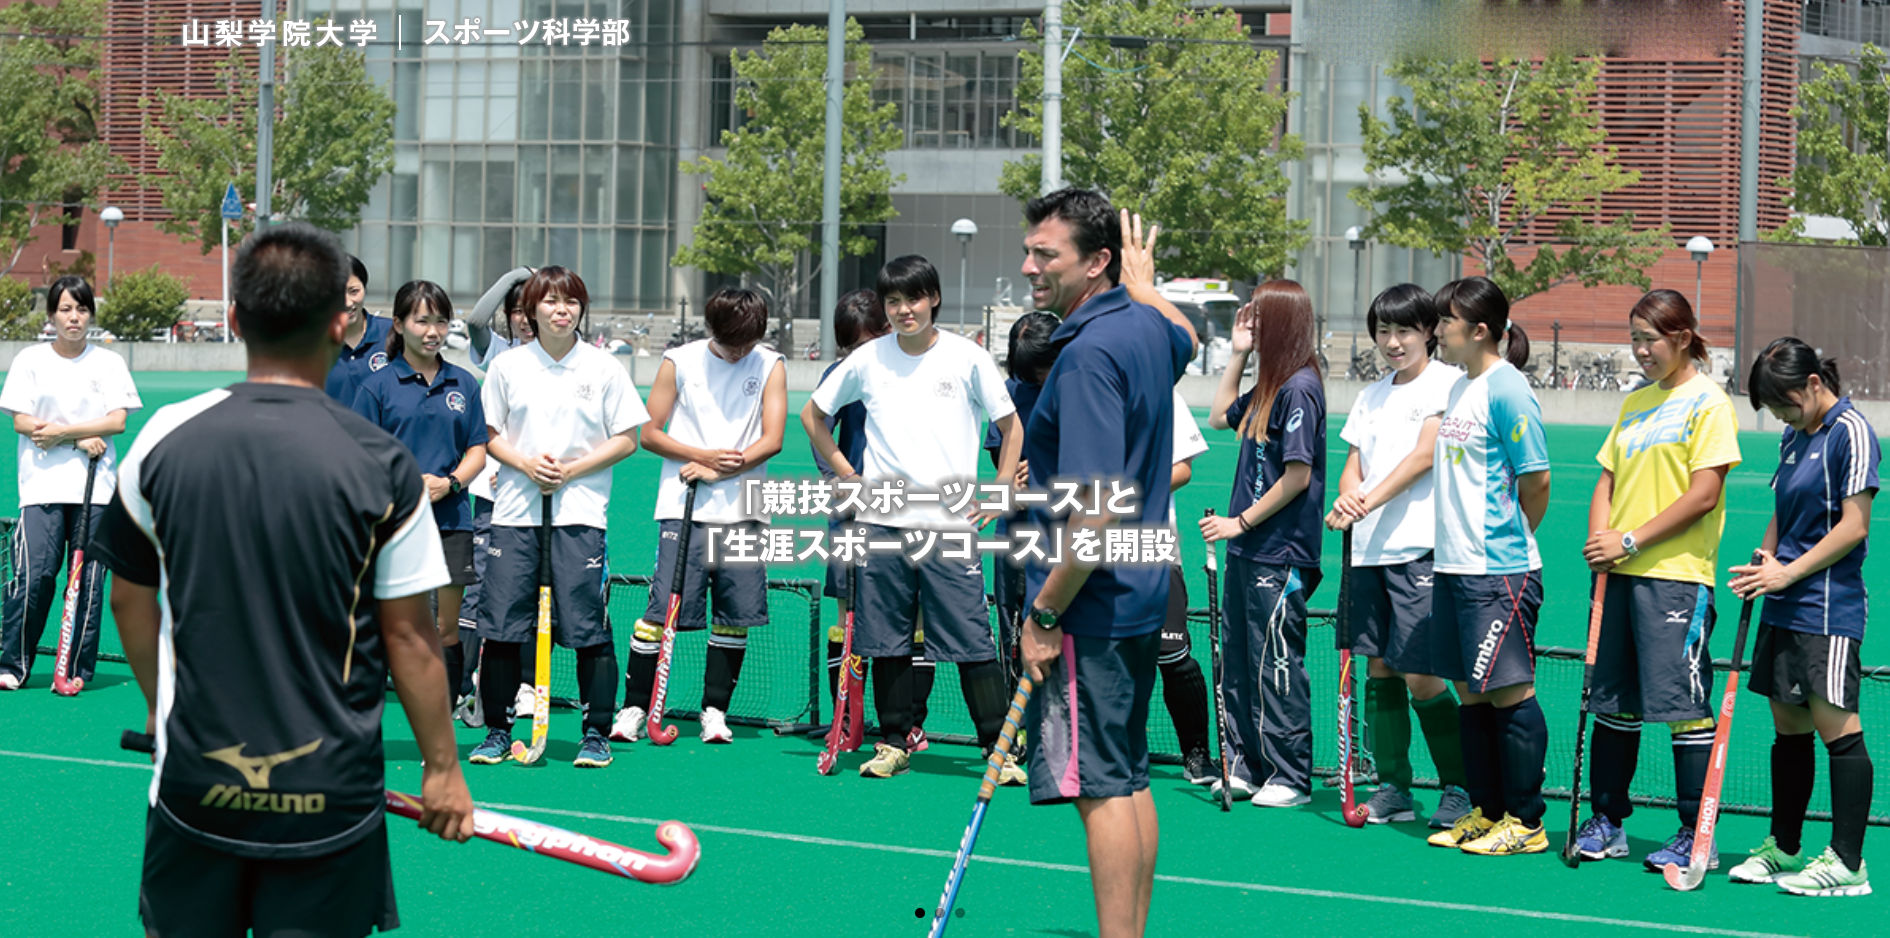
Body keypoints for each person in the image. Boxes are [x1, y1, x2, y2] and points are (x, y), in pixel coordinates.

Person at [89, 222, 473, 937]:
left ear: (234, 319)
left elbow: (128, 596)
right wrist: (442, 768)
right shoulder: (382, 463)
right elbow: (413, 640)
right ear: (341, 322)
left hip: (193, 789)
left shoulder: (164, 437)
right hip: (330, 801)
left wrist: (157, 708)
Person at [1017, 191, 1195, 938]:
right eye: (1029, 250)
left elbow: (1093, 512)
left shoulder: (1088, 355)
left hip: (1090, 603)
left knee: (1099, 788)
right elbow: (1186, 334)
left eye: (1046, 255)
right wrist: (1145, 286)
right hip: (1138, 590)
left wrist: (1046, 612)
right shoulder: (1146, 325)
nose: (1029, 266)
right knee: (1125, 776)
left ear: (1096, 262)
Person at [803, 255, 1022, 781]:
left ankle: (998, 749)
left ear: (934, 299)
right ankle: (894, 742)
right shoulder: (867, 359)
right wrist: (845, 472)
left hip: (950, 526)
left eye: (913, 299)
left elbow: (1010, 427)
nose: (904, 310)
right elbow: (813, 416)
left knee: (973, 641)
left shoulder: (967, 358)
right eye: (894, 302)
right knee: (887, 641)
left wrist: (996, 495)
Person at [1571, 289, 1743, 871]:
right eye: (1635, 339)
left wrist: (1630, 540)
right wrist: (1603, 544)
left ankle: (1697, 834)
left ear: (1684, 337)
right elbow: (1607, 480)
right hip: (1619, 575)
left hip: (1676, 578)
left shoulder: (1709, 403)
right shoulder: (1636, 403)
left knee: (1684, 709)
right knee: (1614, 704)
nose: (1641, 350)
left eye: (1651, 339)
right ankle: (1608, 821)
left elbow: (1705, 493)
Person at [468, 266, 648, 769]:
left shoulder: (603, 367)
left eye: (570, 302)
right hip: (515, 514)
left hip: (580, 514)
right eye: (549, 302)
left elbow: (625, 438)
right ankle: (498, 731)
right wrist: (524, 463)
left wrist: (569, 470)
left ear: (581, 309)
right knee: (502, 627)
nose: (560, 310)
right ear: (529, 311)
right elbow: (488, 432)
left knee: (588, 626)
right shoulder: (508, 367)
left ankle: (595, 734)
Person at [1727, 338, 1878, 897]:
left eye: (1784, 404)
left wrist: (1789, 574)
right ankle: (1784, 847)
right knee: (1788, 728)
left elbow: (1854, 525)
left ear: (1814, 385)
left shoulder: (1851, 432)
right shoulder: (1797, 434)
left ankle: (1848, 862)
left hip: (1827, 608)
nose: (1780, 417)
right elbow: (1782, 508)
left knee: (1837, 729)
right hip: (1782, 601)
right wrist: (1763, 562)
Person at [1324, 283, 1471, 829]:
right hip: (1368, 550)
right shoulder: (1372, 395)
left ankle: (1460, 787)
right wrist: (1348, 495)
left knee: (1420, 672)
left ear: (1429, 330)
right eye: (1383, 331)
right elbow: (1353, 464)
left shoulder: (1448, 384)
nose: (1392, 341)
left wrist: (1363, 500)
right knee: (1380, 667)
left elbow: (1425, 457)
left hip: (1420, 549)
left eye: (1404, 330)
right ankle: (1395, 789)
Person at [614, 288, 787, 745]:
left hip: (746, 507)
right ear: (714, 329)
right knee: (659, 614)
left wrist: (720, 466)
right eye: (733, 343)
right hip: (682, 505)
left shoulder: (770, 363)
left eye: (748, 342)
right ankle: (635, 706)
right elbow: (650, 433)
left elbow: (772, 439)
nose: (741, 352)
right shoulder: (679, 360)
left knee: (732, 616)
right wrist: (701, 457)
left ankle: (715, 711)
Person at [1420, 275, 1553, 857]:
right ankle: (1488, 810)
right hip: (1453, 568)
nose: (1437, 330)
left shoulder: (1508, 388)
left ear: (1478, 330)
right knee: (1470, 692)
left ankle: (1526, 822)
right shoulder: (1459, 388)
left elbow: (1538, 480)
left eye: (1445, 321)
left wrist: (1510, 541)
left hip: (1498, 571)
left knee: (1508, 692)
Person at [1199, 280, 1326, 809]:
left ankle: (1291, 776)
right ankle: (1245, 764)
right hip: (1250, 552)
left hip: (1279, 550)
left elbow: (1297, 476)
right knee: (1239, 660)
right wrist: (1237, 354)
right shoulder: (1271, 382)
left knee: (1275, 661)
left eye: (1259, 318)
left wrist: (1239, 523)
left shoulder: (1300, 386)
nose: (1250, 324)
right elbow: (1218, 415)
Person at [352, 279, 489, 719]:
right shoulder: (377, 386)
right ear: (399, 323)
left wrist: (449, 484)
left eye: (441, 321)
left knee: (445, 628)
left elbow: (477, 452)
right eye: (422, 320)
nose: (433, 331)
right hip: (392, 526)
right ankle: (364, 723)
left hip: (452, 520)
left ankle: (442, 716)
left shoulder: (464, 383)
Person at [0, 276, 141, 692]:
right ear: (51, 315)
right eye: (65, 309)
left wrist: (60, 432)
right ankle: (13, 664)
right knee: (34, 576)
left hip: (95, 490)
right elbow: (22, 421)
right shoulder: (31, 360)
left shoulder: (108, 363)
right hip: (42, 487)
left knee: (88, 584)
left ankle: (75, 670)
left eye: (80, 309)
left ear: (90, 314)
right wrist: (77, 437)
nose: (74, 317)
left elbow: (117, 420)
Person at [456, 268, 538, 726]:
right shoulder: (501, 354)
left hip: (538, 492)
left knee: (527, 591)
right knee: (475, 589)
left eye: (533, 311)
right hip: (490, 495)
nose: (526, 320)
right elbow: (474, 322)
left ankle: (525, 686)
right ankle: (464, 684)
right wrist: (515, 278)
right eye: (518, 313)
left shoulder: (568, 359)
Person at [813, 291, 897, 726]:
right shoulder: (840, 373)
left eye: (871, 340)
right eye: (852, 345)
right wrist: (838, 482)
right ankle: (847, 716)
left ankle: (905, 721)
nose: (861, 353)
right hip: (851, 509)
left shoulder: (906, 367)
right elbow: (819, 432)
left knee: (904, 611)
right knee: (846, 612)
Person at [323, 254, 392, 406]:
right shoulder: (312, 341)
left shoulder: (393, 334)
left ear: (365, 288)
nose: (347, 302)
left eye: (354, 291)